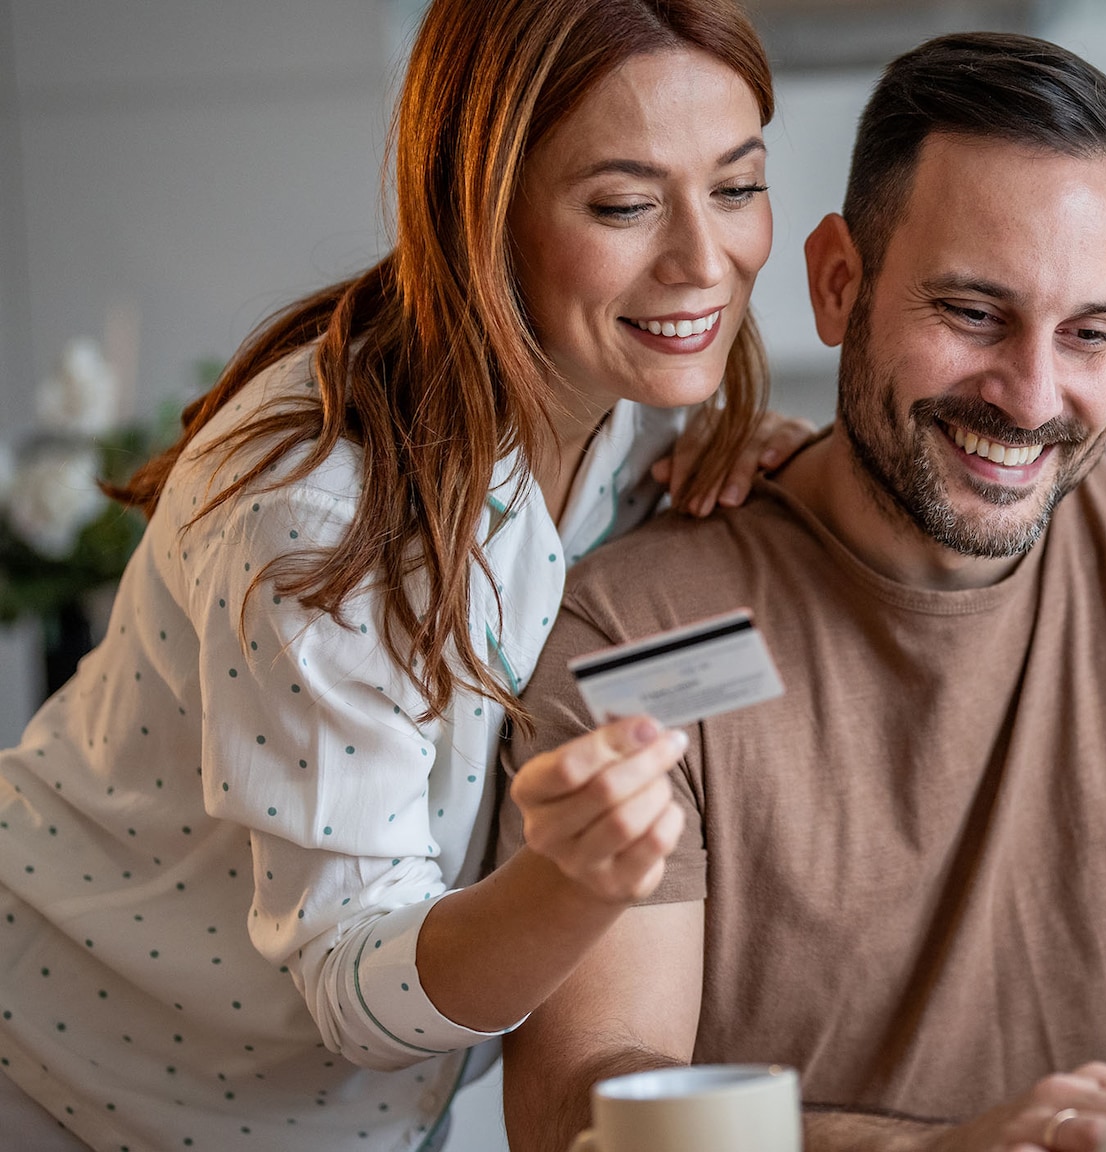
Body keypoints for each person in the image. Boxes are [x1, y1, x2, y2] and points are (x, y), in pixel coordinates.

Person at [498, 31, 1106, 1152]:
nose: (1030, 398)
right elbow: (578, 1103)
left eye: (1090, 334)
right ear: (840, 283)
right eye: (972, 315)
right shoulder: (638, 627)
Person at [0, 1, 809, 1148]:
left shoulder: (599, 391)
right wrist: (569, 885)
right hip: (69, 1074)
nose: (702, 259)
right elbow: (349, 984)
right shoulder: (326, 512)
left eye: (736, 187)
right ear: (485, 212)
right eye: (625, 205)